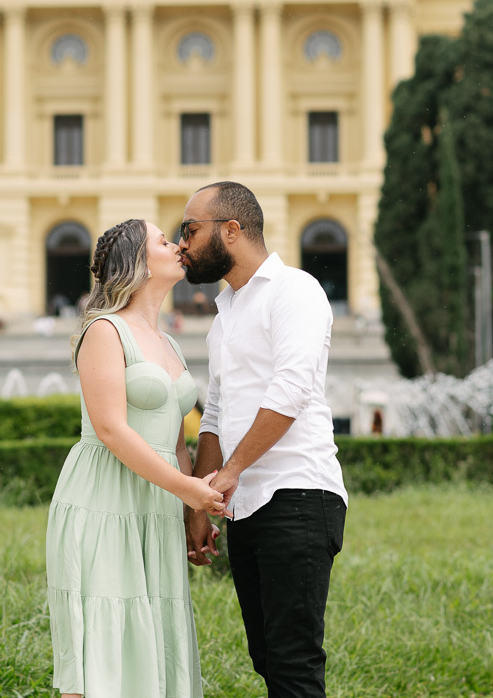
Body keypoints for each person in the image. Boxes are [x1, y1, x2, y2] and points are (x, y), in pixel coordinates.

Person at [180, 182, 348, 698]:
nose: (182, 244)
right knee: (268, 660)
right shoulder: (225, 313)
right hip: (247, 505)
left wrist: (229, 473)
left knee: (294, 666)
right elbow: (215, 413)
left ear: (231, 230)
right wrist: (199, 503)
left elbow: (291, 391)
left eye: (190, 230)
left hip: (298, 495)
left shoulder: (294, 289)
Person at [46, 218, 224, 698]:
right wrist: (189, 490)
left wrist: (191, 513)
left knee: (154, 640)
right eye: (163, 241)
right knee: (102, 645)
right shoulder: (104, 329)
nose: (177, 246)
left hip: (156, 504)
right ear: (138, 262)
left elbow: (177, 443)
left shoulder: (168, 342)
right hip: (105, 499)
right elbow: (111, 429)